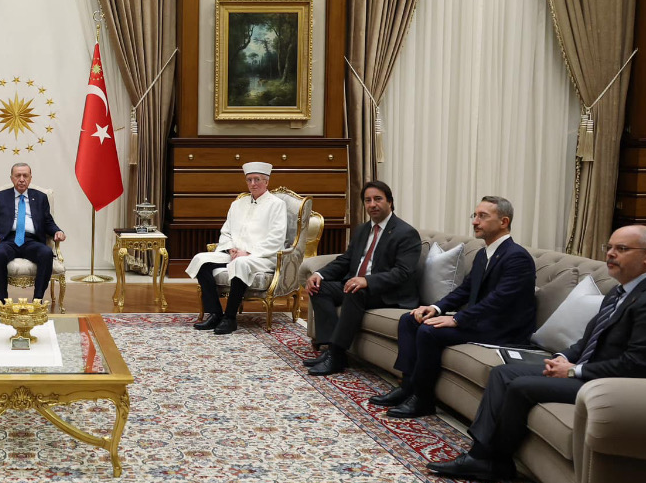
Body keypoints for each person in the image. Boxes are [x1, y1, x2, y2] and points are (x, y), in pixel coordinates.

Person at [428, 225, 646, 482]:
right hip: (584, 369)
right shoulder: (619, 290)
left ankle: (489, 459)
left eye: (622, 249)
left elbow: (638, 364)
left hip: (608, 384)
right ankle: (486, 457)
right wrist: (564, 357)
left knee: (520, 387)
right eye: (610, 247)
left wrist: (574, 370)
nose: (611, 254)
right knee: (502, 373)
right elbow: (588, 339)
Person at [375, 196, 536, 418]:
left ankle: (423, 399)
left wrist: (457, 319)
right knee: (410, 319)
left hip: (502, 329)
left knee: (429, 331)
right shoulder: (483, 254)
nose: (475, 221)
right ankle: (407, 386)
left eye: (482, 216)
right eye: (474, 215)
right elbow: (465, 290)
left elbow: (498, 301)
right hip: (481, 321)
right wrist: (436, 308)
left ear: (504, 222)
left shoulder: (517, 257)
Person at [304, 181, 421, 375]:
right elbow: (346, 260)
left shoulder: (406, 233)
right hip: (359, 287)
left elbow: (402, 272)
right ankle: (330, 349)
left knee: (355, 290)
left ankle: (336, 355)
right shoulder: (363, 229)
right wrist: (319, 274)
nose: (372, 204)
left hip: (388, 293)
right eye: (368, 200)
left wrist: (367, 281)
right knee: (319, 288)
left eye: (378, 199)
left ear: (390, 202)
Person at [185, 162, 287, 335]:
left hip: (261, 256)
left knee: (241, 263)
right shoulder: (237, 204)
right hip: (234, 253)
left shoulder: (277, 204)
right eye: (249, 180)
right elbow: (226, 231)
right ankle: (215, 314)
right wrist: (230, 247)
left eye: (257, 179)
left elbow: (277, 237)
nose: (253, 183)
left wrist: (248, 252)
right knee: (201, 260)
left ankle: (230, 318)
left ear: (266, 182)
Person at [0, 163, 66, 303]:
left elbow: (48, 222)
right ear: (12, 178)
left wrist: (57, 231)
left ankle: (37, 301)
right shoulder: (0, 197)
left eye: (25, 176)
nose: (22, 179)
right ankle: (3, 302)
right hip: (8, 240)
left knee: (46, 253)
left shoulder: (41, 197)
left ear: (30, 178)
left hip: (31, 241)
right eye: (18, 176)